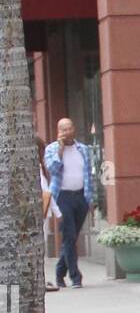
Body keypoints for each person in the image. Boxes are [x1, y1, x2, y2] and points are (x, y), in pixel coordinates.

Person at [43, 117, 94, 288]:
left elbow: (89, 175)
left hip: (81, 197)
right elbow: (53, 169)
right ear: (58, 132)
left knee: (71, 239)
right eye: (62, 129)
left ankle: (59, 273)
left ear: (74, 129)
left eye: (68, 128)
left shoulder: (84, 150)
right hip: (62, 197)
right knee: (70, 236)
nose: (65, 132)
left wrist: (90, 199)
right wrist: (61, 150)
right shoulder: (51, 149)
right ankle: (76, 277)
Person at [37, 136, 61, 292]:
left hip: (41, 213)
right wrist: (57, 212)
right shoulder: (35, 168)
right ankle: (40, 281)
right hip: (40, 214)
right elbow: (46, 191)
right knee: (39, 249)